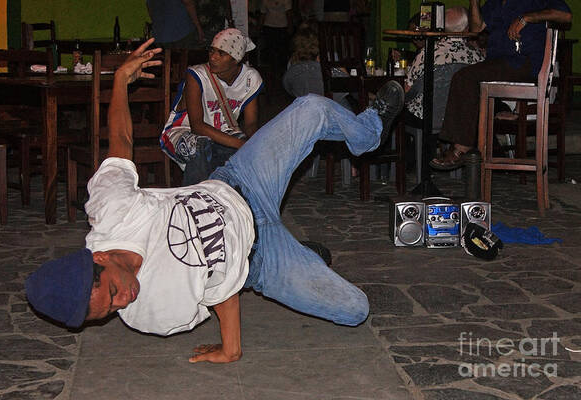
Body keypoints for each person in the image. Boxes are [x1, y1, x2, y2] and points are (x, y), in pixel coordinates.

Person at [25, 38, 405, 364]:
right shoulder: (151, 315)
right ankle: (299, 256)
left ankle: (369, 131)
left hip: (240, 182)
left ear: (100, 258)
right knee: (355, 310)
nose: (123, 301)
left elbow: (120, 143)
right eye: (108, 312)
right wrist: (231, 349)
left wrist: (121, 82)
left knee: (310, 107)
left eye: (111, 292)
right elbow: (220, 288)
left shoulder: (112, 210)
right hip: (258, 260)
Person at [430, 0, 572, 170]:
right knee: (466, 76)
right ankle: (473, 147)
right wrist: (474, 2)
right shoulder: (495, 3)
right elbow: (476, 28)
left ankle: (461, 148)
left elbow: (565, 15)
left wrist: (526, 18)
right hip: (499, 62)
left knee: (465, 77)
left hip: (526, 61)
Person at [160, 28, 263, 186]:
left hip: (224, 132)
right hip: (183, 130)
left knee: (245, 153)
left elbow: (250, 123)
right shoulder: (197, 76)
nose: (213, 57)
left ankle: (232, 200)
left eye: (221, 53)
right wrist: (241, 144)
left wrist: (254, 144)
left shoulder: (250, 79)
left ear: (236, 59)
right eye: (212, 51)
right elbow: (197, 126)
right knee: (199, 147)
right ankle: (196, 200)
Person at [404, 6, 485, 129]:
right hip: (462, 116)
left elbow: (408, 89)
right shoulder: (476, 56)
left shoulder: (428, 53)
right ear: (467, 28)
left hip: (427, 116)